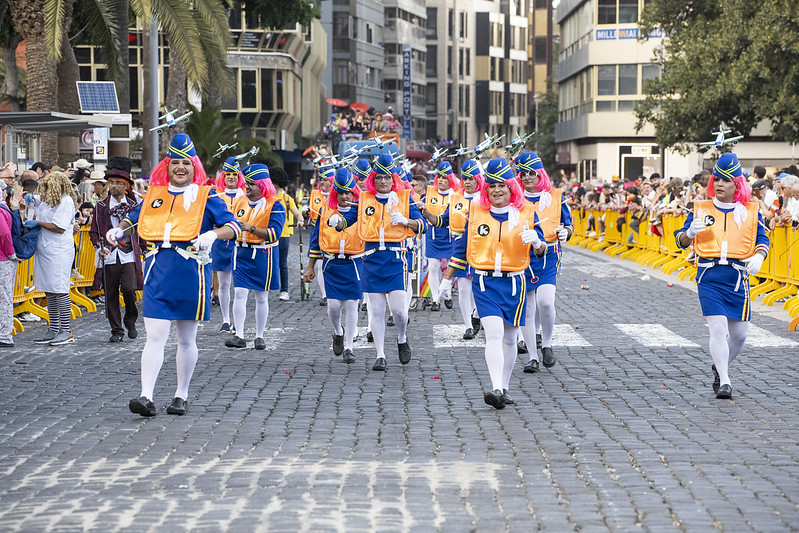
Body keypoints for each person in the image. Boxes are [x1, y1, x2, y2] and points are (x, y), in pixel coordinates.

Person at [107, 133, 241, 417]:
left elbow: (233, 227)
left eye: (186, 163)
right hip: (158, 271)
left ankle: (181, 395)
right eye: (175, 162)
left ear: (195, 167)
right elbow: (134, 218)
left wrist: (213, 235)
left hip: (191, 273)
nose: (180, 167)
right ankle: (146, 395)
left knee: (185, 339)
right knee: (154, 337)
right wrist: (118, 230)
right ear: (166, 166)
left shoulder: (207, 195)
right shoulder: (153, 194)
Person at [439, 158, 546, 409]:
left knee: (509, 339)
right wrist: (446, 280)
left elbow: (540, 251)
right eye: (492, 186)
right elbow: (462, 250)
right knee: (494, 334)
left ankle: (504, 387)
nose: (497, 190)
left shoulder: (527, 213)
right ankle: (496, 387)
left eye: (502, 185)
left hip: (515, 284)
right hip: (485, 283)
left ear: (511, 188)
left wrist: (538, 242)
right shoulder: (476, 213)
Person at [676, 153, 769, 399]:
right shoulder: (701, 208)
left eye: (726, 180)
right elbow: (680, 240)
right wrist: (690, 233)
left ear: (737, 185)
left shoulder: (750, 211)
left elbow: (762, 239)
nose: (719, 184)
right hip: (709, 276)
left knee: (739, 336)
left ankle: (719, 367)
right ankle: (725, 382)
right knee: (717, 329)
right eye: (716, 179)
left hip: (737, 279)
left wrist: (759, 257)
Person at [341, 153, 424, 371]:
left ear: (393, 179)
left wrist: (406, 221)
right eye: (379, 177)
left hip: (396, 259)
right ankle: (380, 355)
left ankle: (402, 337)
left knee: (399, 312)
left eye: (387, 177)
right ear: (373, 179)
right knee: (376, 311)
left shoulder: (404, 198)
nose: (383, 181)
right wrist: (336, 221)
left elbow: (422, 225)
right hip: (372, 259)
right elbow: (348, 220)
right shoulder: (364, 199)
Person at [515, 152, 573, 372]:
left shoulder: (555, 197)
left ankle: (546, 344)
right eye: (523, 173)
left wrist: (566, 232)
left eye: (532, 173)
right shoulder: (515, 199)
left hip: (549, 255)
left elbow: (568, 224)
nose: (527, 177)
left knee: (546, 301)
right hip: (523, 256)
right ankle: (532, 356)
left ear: (540, 174)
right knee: (528, 308)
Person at [304, 167, 364, 363]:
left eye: (348, 193)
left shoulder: (361, 211)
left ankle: (349, 346)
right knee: (333, 307)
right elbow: (315, 241)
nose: (345, 196)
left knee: (352, 304)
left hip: (354, 263)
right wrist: (310, 267)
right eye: (341, 193)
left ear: (354, 193)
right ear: (335, 194)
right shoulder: (324, 211)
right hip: (332, 263)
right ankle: (338, 331)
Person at [225, 164, 286, 349]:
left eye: (252, 184)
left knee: (261, 297)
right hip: (241, 252)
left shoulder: (275, 205)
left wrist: (250, 228)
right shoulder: (240, 201)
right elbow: (231, 224)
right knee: (239, 293)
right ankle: (239, 335)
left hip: (263, 255)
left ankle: (260, 336)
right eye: (247, 183)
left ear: (262, 186)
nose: (247, 187)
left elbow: (275, 233)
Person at [89, 157, 143, 343]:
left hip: (129, 255)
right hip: (109, 255)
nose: (113, 186)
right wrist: (99, 247)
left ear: (125, 185)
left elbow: (141, 230)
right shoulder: (101, 207)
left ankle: (130, 321)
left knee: (129, 289)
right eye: (111, 182)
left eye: (118, 183)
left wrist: (144, 249)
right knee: (110, 294)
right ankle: (116, 330)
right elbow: (94, 231)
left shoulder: (134, 206)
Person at [27, 171, 78, 345]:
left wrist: (38, 223)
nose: (45, 190)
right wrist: (31, 198)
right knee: (49, 290)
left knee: (60, 289)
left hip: (59, 251)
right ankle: (54, 328)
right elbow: (38, 202)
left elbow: (59, 227)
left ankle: (66, 330)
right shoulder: (49, 201)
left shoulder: (66, 202)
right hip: (46, 250)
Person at [448, 159, 484, 339]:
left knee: (480, 287)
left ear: (479, 179)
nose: (468, 182)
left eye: (472, 178)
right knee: (463, 288)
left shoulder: (486, 199)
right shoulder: (455, 198)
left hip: (481, 249)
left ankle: (477, 314)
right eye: (465, 179)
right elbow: (443, 219)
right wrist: (426, 214)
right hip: (460, 248)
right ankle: (468, 326)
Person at [419, 161, 460, 311]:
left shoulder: (456, 195)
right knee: (433, 266)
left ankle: (447, 293)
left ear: (451, 179)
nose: (441, 180)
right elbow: (421, 210)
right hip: (433, 234)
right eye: (439, 177)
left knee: (452, 267)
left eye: (445, 177)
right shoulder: (430, 192)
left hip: (450, 235)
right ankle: (435, 299)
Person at [210, 157, 245, 333]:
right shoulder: (216, 195)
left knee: (239, 287)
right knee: (223, 284)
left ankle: (238, 322)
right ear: (223, 176)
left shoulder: (245, 196)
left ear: (239, 176)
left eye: (234, 174)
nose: (231, 177)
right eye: (228, 174)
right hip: (220, 244)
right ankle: (225, 320)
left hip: (240, 244)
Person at [270, 166, 304, 301]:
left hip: (283, 235)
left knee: (282, 264)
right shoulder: (266, 198)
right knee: (268, 263)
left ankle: (284, 290)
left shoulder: (286, 198)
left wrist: (300, 220)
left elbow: (297, 213)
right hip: (268, 235)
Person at [304, 165, 335, 305]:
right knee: (320, 263)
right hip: (317, 231)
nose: (322, 182)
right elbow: (309, 210)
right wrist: (305, 211)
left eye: (326, 180)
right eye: (321, 179)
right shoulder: (314, 194)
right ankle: (324, 295)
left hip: (332, 232)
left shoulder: (336, 194)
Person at [0, 181, 19, 347]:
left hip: (3, 259)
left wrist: (11, 253)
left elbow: (5, 234)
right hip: (5, 258)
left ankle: (4, 334)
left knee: (4, 297)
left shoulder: (1, 210)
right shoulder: (5, 209)